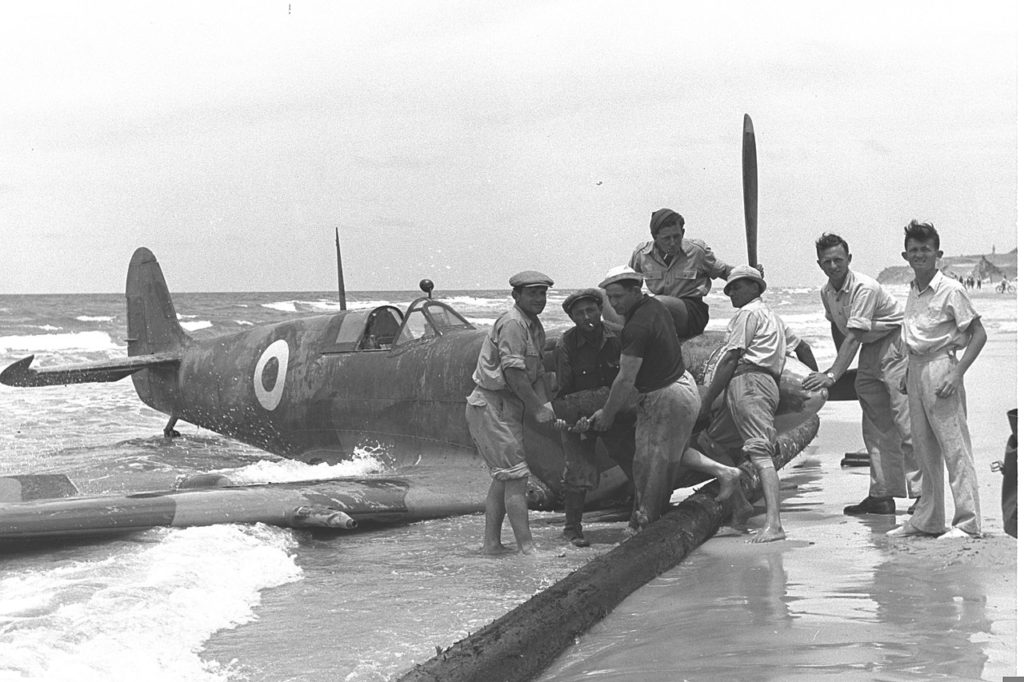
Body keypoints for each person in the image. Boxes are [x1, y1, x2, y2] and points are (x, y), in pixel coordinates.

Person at [589, 266, 741, 534]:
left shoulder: (636, 326)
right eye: (609, 298)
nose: (614, 303)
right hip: (683, 387)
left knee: (649, 464)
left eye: (618, 297)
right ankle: (725, 472)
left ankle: (645, 522)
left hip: (665, 396)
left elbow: (625, 379)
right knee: (673, 453)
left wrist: (608, 414)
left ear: (636, 290)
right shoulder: (654, 308)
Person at [802, 233, 921, 516]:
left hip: (894, 345)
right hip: (868, 350)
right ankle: (882, 495)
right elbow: (838, 326)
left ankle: (923, 496)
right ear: (819, 264)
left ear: (849, 260)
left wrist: (832, 375)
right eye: (827, 261)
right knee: (875, 426)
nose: (833, 266)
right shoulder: (826, 292)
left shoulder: (864, 287)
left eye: (838, 260)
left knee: (905, 423)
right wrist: (839, 364)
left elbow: (854, 335)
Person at [698, 265, 817, 543]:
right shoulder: (774, 318)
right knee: (710, 441)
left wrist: (708, 398)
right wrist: (817, 382)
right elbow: (804, 348)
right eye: (728, 289)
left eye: (736, 287)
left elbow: (731, 358)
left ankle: (774, 524)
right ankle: (740, 508)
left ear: (755, 287)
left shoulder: (748, 314)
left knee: (760, 453)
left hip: (750, 383)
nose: (730, 294)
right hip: (761, 385)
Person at [887, 220, 987, 539]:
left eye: (925, 250)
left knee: (955, 448)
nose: (919, 255)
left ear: (937, 253)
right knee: (924, 450)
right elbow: (915, 335)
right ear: (905, 255)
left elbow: (978, 334)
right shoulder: (913, 290)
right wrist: (906, 372)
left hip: (942, 369)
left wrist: (956, 375)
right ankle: (928, 520)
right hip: (915, 370)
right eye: (913, 251)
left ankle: (968, 523)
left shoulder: (951, 289)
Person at [465, 270, 556, 555]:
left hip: (506, 406)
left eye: (542, 293)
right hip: (493, 404)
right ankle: (527, 549)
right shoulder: (514, 323)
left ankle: (491, 544)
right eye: (532, 293)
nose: (539, 299)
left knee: (504, 477)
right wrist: (536, 408)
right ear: (516, 295)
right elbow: (514, 374)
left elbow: (536, 373)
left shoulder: (533, 325)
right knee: (516, 477)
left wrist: (546, 405)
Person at [552, 288, 636, 547]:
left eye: (591, 310)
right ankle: (572, 528)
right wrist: (574, 420)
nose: (587, 317)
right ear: (572, 318)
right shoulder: (565, 344)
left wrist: (612, 410)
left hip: (617, 411)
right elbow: (564, 390)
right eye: (579, 313)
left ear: (601, 310)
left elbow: (631, 379)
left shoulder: (621, 338)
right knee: (577, 470)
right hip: (581, 414)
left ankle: (643, 516)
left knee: (636, 463)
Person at [627, 208, 738, 339]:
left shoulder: (697, 251)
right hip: (659, 310)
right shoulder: (642, 254)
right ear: (655, 237)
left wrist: (751, 274)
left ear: (683, 232)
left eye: (677, 236)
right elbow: (628, 284)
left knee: (656, 303)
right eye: (666, 238)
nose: (673, 243)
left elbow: (726, 272)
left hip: (692, 312)